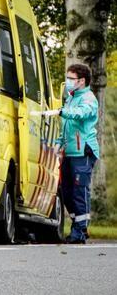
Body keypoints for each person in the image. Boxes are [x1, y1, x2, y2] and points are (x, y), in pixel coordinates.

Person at [53, 64, 100, 244]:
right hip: (70, 151)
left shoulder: (89, 99)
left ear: (81, 81)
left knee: (80, 191)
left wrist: (63, 111)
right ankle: (77, 224)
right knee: (67, 191)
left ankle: (80, 230)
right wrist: (59, 142)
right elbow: (66, 125)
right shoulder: (71, 98)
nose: (68, 82)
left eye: (71, 78)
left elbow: (80, 114)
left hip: (84, 151)